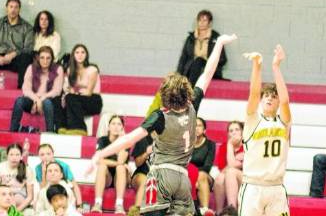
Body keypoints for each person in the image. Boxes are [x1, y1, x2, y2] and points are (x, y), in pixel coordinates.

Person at [88, 33, 237, 216]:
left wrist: (101, 153)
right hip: (181, 177)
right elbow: (207, 73)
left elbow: (128, 139)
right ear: (187, 93)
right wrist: (220, 42)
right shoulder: (192, 107)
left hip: (159, 176)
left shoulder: (160, 116)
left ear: (165, 96)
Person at [239, 45, 291, 216]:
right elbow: (253, 94)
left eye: (273, 96)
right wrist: (257, 66)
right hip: (253, 187)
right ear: (262, 100)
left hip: (276, 187)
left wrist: (276, 67)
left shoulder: (283, 122)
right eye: (266, 95)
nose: (270, 98)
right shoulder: (253, 119)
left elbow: (285, 100)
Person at [11, 46, 64, 132]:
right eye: (42, 58)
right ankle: (12, 131)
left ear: (52, 59)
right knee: (19, 101)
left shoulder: (58, 69)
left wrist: (41, 99)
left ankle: (49, 132)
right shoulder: (31, 68)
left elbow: (57, 91)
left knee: (47, 103)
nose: (45, 61)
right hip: (33, 99)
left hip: (49, 99)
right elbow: (26, 89)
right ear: (38, 58)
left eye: (48, 58)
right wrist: (36, 100)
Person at [53, 44, 102, 135]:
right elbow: (71, 90)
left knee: (70, 98)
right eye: (77, 52)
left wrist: (72, 94)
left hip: (93, 100)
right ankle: (61, 127)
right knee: (58, 100)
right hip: (76, 100)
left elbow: (88, 92)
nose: (80, 55)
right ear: (73, 55)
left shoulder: (92, 69)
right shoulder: (70, 70)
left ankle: (79, 128)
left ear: (86, 55)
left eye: (83, 52)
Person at [177, 10, 228, 84]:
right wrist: (178, 75)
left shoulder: (216, 38)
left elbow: (223, 59)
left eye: (204, 20)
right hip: (191, 69)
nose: (201, 23)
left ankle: (190, 90)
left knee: (199, 60)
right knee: (195, 62)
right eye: (199, 20)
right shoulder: (190, 38)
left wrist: (211, 65)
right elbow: (183, 58)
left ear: (210, 23)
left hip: (209, 70)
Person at [92, 115, 129, 214]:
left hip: (121, 176)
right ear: (108, 127)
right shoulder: (103, 140)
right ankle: (98, 203)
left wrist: (122, 140)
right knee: (102, 166)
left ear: (122, 127)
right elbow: (99, 160)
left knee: (121, 168)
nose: (116, 126)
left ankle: (119, 204)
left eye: (119, 124)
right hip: (107, 177)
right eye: (113, 124)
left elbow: (121, 160)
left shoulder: (126, 141)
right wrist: (117, 163)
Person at [35, 144, 82, 210]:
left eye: (48, 154)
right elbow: (43, 188)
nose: (45, 157)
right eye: (42, 155)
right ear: (39, 156)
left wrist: (79, 205)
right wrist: (44, 172)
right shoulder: (38, 168)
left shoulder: (63, 165)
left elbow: (75, 186)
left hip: (63, 190)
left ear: (53, 154)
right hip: (49, 191)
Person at [0, 143, 36, 213]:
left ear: (21, 156)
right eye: (11, 154)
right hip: (4, 195)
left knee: (13, 199)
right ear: (7, 156)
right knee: (7, 198)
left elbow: (30, 197)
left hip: (20, 197)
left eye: (17, 155)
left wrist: (16, 212)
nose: (14, 157)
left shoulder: (27, 169)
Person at [214, 121, 244, 213]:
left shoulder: (248, 145)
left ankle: (232, 211)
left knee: (230, 172)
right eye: (231, 131)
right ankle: (219, 212)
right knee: (220, 178)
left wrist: (230, 145)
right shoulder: (224, 147)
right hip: (229, 180)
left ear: (242, 132)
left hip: (247, 179)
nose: (234, 132)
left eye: (237, 130)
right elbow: (223, 170)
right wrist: (235, 158)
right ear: (228, 134)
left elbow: (231, 167)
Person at [190, 117, 216, 215]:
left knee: (201, 174)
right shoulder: (185, 143)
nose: (196, 128)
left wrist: (194, 177)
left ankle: (205, 210)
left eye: (199, 125)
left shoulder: (210, 144)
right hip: (187, 176)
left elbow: (207, 167)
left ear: (204, 130)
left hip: (205, 176)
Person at [130, 133, 154, 209]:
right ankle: (136, 211)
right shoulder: (143, 139)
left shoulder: (167, 141)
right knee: (147, 182)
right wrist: (146, 153)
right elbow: (137, 163)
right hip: (142, 173)